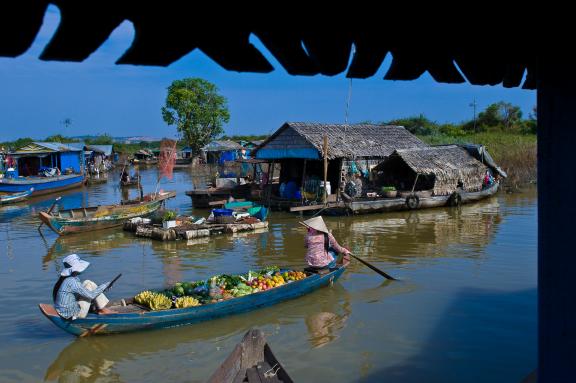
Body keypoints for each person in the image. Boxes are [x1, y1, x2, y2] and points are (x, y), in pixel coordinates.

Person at [52, 254, 111, 320]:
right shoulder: (72, 281)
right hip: (74, 314)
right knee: (90, 287)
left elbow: (82, 291)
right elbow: (91, 295)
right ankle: (102, 309)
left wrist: (102, 288)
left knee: (88, 282)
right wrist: (105, 286)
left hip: (66, 310)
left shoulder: (65, 279)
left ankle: (102, 308)